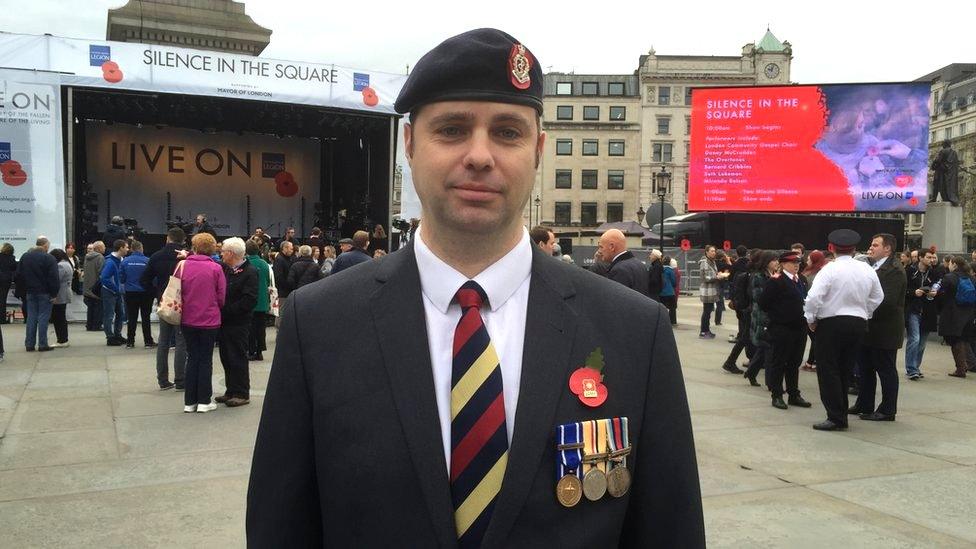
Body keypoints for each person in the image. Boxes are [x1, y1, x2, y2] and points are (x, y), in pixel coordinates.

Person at [247, 28, 704, 547]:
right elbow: (280, 529)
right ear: (411, 144)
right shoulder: (319, 324)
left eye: (508, 132)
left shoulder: (634, 331)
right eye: (453, 129)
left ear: (538, 150)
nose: (481, 155)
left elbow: (670, 528)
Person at [804, 229, 883, 431]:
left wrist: (811, 319)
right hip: (857, 323)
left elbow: (813, 298)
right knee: (845, 368)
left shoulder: (829, 270)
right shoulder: (866, 269)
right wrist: (865, 312)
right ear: (854, 248)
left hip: (831, 323)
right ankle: (840, 413)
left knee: (828, 369)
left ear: (832, 248)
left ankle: (836, 416)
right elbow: (878, 296)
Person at [851, 233, 906, 422]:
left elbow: (887, 302)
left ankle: (887, 409)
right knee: (866, 369)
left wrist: (861, 307)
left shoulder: (894, 270)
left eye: (875, 245)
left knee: (886, 370)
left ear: (887, 248)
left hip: (885, 330)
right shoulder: (872, 266)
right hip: (869, 328)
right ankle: (864, 404)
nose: (871, 248)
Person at [757, 251, 812, 410]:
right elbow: (763, 302)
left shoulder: (800, 279)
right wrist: (779, 314)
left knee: (794, 362)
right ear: (783, 264)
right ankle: (777, 394)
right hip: (782, 327)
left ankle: (794, 394)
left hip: (799, 327)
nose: (796, 265)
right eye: (792, 263)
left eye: (798, 263)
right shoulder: (777, 281)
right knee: (779, 361)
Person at [179, 233, 226, 413]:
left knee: (192, 358)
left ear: (194, 246)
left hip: (187, 319)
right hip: (209, 319)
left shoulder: (182, 265)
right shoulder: (216, 269)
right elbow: (222, 297)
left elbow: (175, 290)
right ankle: (204, 401)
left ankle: (189, 402)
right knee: (205, 360)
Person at [141, 228, 187, 390]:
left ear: (168, 239)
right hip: (182, 303)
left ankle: (163, 379)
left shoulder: (156, 256)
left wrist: (157, 293)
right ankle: (181, 380)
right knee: (181, 341)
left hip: (164, 301)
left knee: (163, 341)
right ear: (183, 240)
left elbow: (144, 279)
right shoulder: (185, 257)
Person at [216, 237, 258, 407]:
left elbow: (249, 300)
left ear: (231, 253)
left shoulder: (250, 271)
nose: (221, 254)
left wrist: (227, 310)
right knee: (226, 356)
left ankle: (241, 392)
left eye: (223, 251)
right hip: (226, 321)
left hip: (239, 322)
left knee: (237, 356)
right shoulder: (225, 269)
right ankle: (231, 390)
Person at [936, 256, 976, 378]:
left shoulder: (949, 277)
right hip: (968, 313)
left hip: (952, 313)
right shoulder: (970, 278)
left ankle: (960, 369)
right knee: (964, 339)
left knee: (955, 340)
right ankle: (969, 364)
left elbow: (941, 295)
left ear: (954, 264)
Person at [742, 251, 778, 387]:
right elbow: (758, 297)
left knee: (764, 348)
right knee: (769, 350)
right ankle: (771, 384)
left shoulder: (773, 275)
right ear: (766, 262)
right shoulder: (758, 276)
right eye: (773, 260)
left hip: (770, 315)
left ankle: (751, 372)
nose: (776, 263)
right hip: (762, 316)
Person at [18, 237, 59, 352]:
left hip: (30, 292)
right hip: (44, 292)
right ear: (45, 246)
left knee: (31, 317)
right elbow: (54, 277)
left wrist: (23, 290)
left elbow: (19, 275)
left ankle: (29, 344)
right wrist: (54, 293)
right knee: (43, 318)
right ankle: (42, 344)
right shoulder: (49, 258)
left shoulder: (25, 257)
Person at [904, 247, 938, 380]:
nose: (931, 260)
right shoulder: (910, 271)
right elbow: (903, 290)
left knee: (922, 342)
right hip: (913, 309)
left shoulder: (934, 273)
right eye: (928, 257)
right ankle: (911, 368)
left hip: (928, 310)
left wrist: (935, 292)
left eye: (932, 257)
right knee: (915, 339)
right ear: (920, 258)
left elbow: (938, 287)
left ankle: (916, 367)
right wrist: (914, 292)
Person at [722, 249, 758, 374]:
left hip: (745, 310)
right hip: (748, 310)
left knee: (746, 337)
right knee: (746, 337)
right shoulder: (750, 275)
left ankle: (735, 361)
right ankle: (732, 362)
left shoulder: (745, 271)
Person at [120, 240, 155, 349]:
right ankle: (148, 341)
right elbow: (152, 278)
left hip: (130, 292)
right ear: (141, 248)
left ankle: (130, 341)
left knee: (131, 317)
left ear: (131, 249)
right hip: (145, 293)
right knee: (146, 317)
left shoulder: (125, 261)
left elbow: (121, 278)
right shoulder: (147, 261)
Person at [598, 228, 649, 296]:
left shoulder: (618, 270)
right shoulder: (640, 265)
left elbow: (616, 301)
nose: (599, 251)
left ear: (612, 247)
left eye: (601, 247)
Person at [800, 250, 828, 371]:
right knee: (815, 338)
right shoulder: (819, 272)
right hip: (812, 309)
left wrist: (811, 316)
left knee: (815, 338)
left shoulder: (813, 274)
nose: (807, 261)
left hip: (810, 309)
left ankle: (813, 361)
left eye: (809, 259)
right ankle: (812, 361)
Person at [99, 239, 129, 346]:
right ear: (121, 248)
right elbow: (104, 278)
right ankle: (110, 337)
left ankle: (117, 334)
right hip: (109, 292)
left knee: (120, 314)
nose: (127, 249)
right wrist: (116, 288)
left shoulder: (120, 260)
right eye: (126, 247)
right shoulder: (110, 262)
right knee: (109, 315)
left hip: (115, 291)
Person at [245, 240, 271, 361]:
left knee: (250, 328)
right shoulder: (264, 264)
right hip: (263, 301)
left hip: (250, 301)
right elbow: (268, 281)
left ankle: (251, 350)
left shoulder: (246, 263)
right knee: (261, 328)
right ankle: (260, 351)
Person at [698, 245, 728, 338]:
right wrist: (717, 277)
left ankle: (706, 330)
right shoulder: (704, 262)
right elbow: (705, 277)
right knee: (707, 311)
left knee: (708, 311)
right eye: (711, 251)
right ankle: (703, 331)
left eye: (714, 251)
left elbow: (712, 274)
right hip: (707, 291)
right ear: (706, 252)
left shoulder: (713, 261)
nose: (713, 253)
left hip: (712, 290)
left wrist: (719, 274)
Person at [50, 249, 74, 348]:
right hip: (65, 292)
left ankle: (62, 339)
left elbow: (56, 279)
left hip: (60, 294)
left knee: (58, 317)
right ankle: (63, 339)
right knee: (60, 316)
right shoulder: (67, 264)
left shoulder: (60, 266)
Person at [82, 241, 105, 331]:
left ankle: (89, 325)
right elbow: (101, 272)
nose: (105, 248)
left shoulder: (87, 257)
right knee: (98, 307)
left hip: (87, 286)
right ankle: (97, 325)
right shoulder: (100, 257)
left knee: (90, 308)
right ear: (99, 248)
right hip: (96, 287)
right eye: (103, 247)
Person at [271, 241, 295, 325]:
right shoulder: (280, 260)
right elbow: (278, 277)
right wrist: (288, 285)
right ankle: (279, 333)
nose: (292, 250)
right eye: (291, 249)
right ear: (284, 248)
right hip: (282, 292)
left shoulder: (288, 259)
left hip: (286, 291)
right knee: (281, 314)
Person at [0, 243, 17, 323]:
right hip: (6, 280)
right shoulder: (12, 258)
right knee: (3, 299)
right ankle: (2, 319)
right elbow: (14, 268)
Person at [661, 255, 678, 325]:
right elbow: (674, 282)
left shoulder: (660, 270)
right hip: (670, 292)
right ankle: (673, 321)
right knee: (672, 308)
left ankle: (663, 321)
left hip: (661, 292)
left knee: (662, 308)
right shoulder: (671, 271)